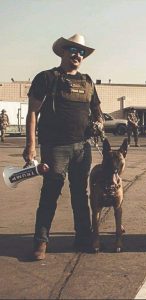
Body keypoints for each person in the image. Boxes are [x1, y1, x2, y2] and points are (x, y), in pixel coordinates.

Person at [22, 34, 104, 260]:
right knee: (50, 192)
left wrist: (98, 123)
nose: (78, 55)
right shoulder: (47, 78)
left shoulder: (87, 81)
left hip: (83, 147)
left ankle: (83, 238)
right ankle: (41, 242)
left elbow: (97, 112)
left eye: (82, 52)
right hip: (55, 147)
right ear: (63, 52)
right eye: (73, 50)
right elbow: (32, 113)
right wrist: (30, 146)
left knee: (80, 194)